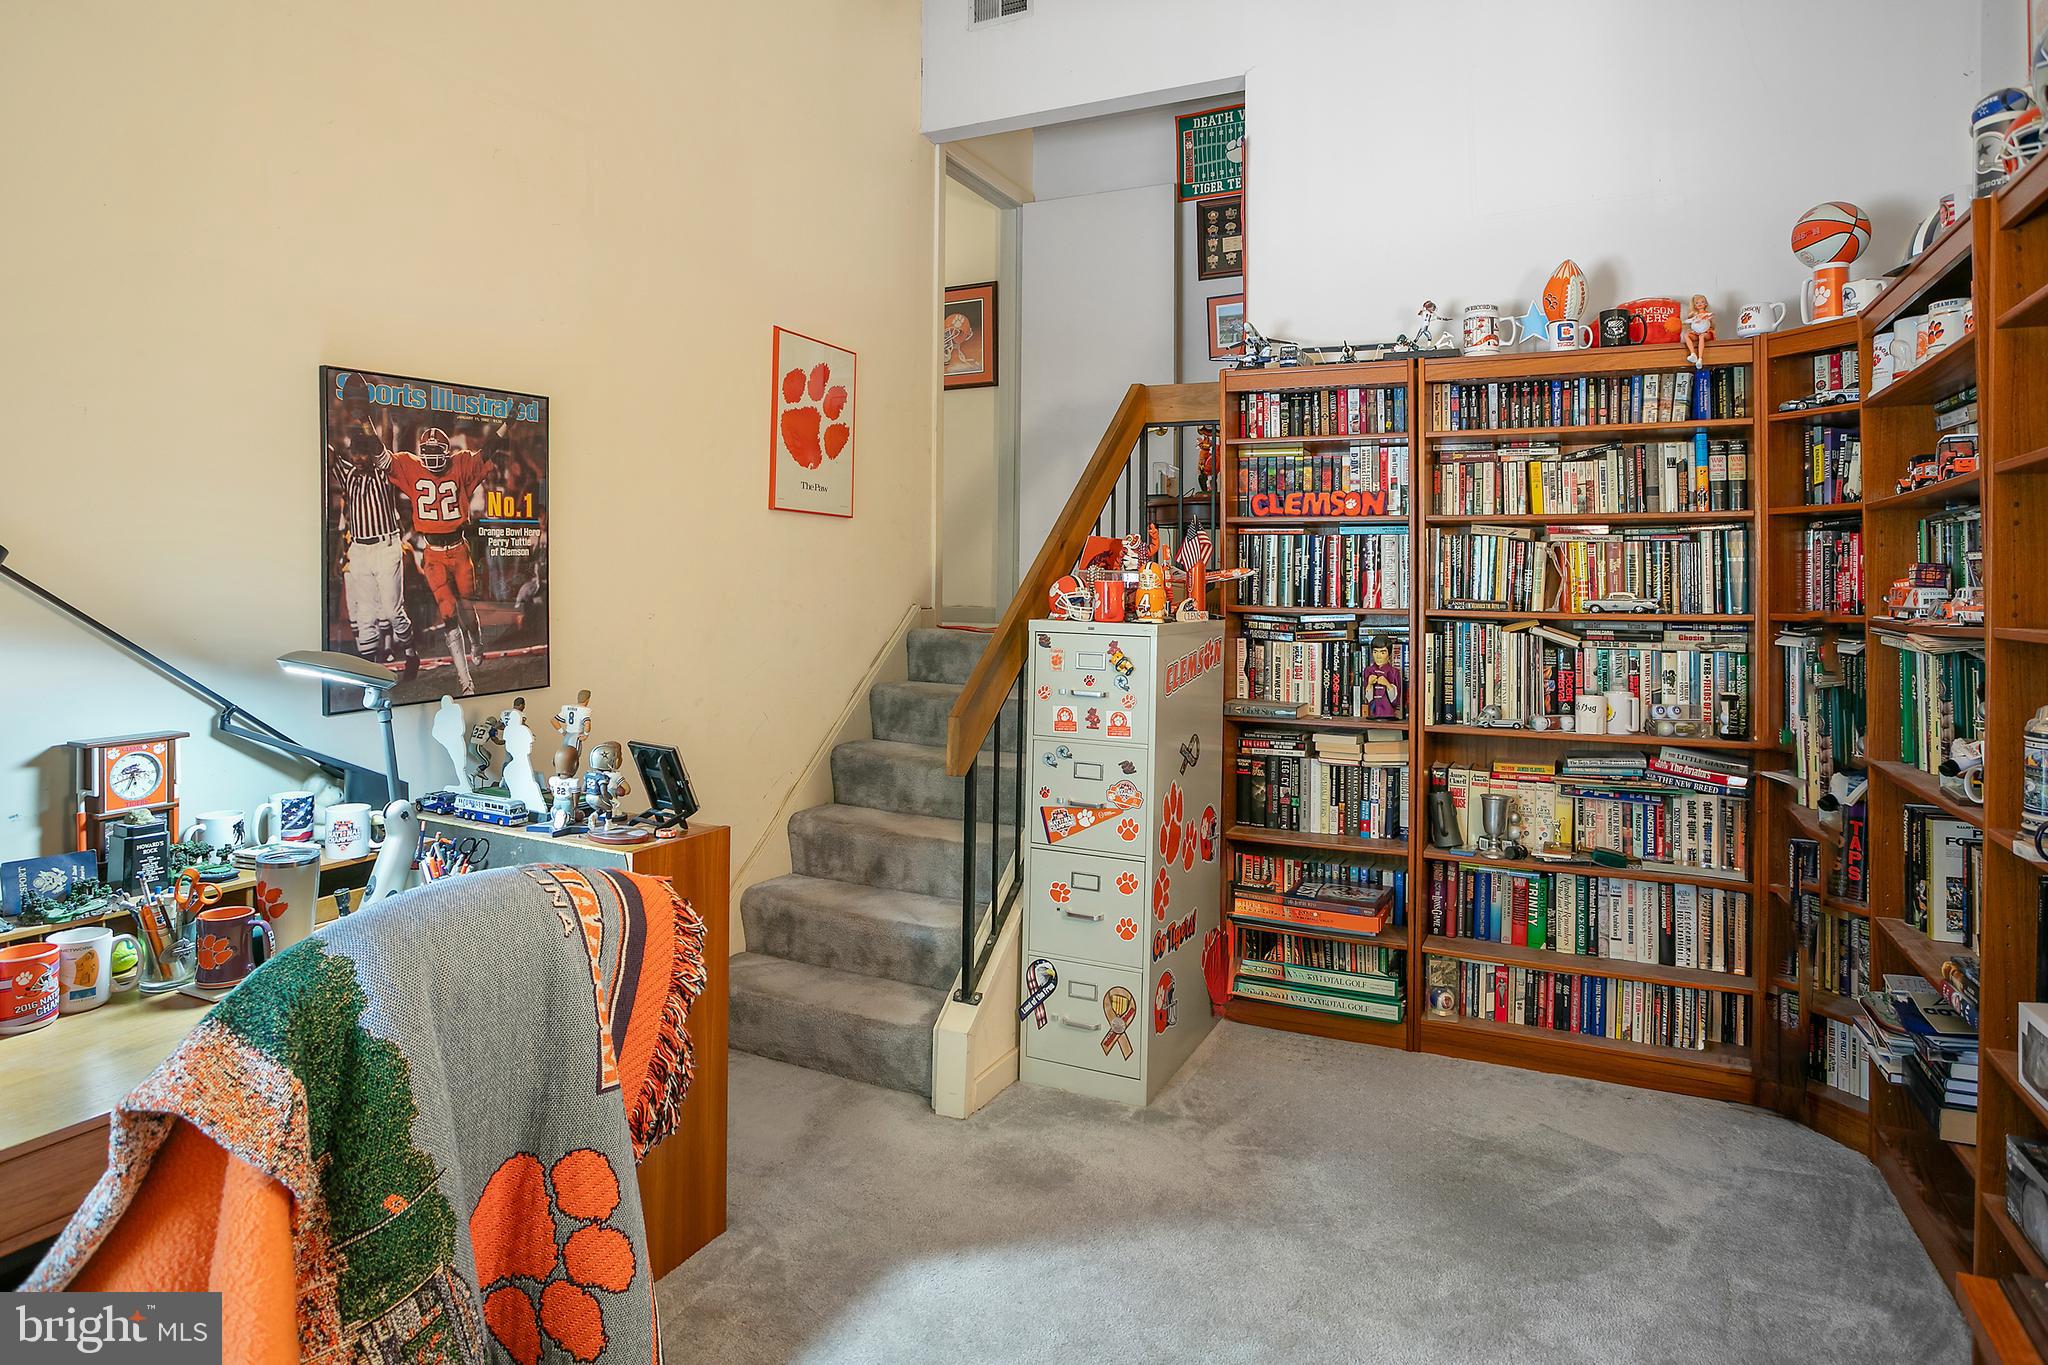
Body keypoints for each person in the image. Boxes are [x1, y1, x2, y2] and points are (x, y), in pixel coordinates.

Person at [385, 421, 499, 694]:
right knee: (448, 613)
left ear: (447, 451)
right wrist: (365, 421)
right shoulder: (410, 466)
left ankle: (476, 640)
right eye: (427, 450)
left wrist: (507, 424)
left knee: (467, 610)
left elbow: (487, 451)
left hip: (459, 550)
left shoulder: (459, 464)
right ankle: (465, 680)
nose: (432, 456)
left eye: (437, 450)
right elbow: (382, 458)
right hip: (433, 553)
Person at [328, 424, 418, 680]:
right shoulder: (349, 474)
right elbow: (331, 455)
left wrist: (366, 421)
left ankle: (410, 652)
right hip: (359, 549)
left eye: (362, 453)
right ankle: (370, 677)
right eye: (354, 453)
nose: (358, 458)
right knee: (365, 613)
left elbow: (380, 451)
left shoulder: (382, 474)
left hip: (385, 546)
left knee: (392, 611)